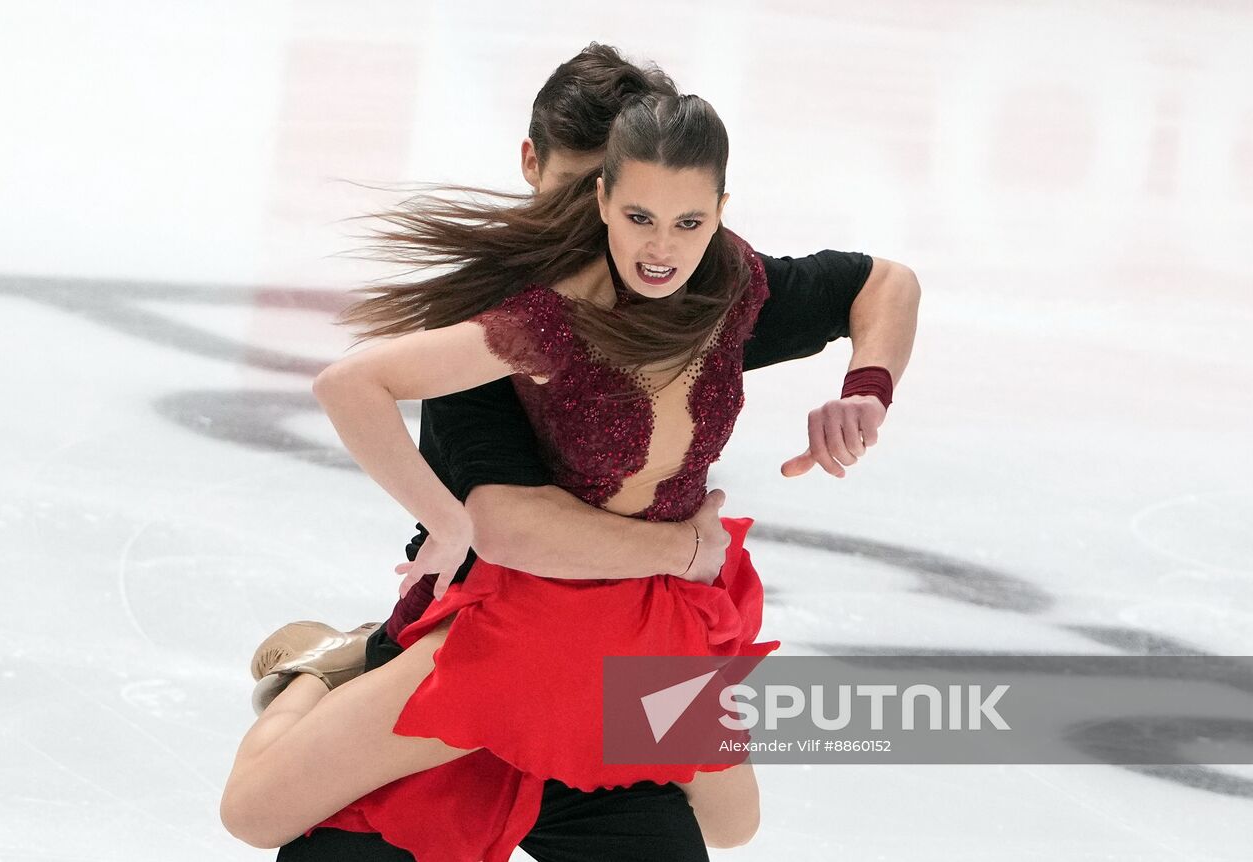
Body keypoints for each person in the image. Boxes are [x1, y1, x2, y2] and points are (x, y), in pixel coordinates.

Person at [221, 81, 920, 862]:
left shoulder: (732, 285)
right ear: (602, 200)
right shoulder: (540, 320)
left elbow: (884, 283)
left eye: (687, 221)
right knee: (256, 812)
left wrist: (866, 391)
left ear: (720, 211)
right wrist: (451, 523)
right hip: (532, 608)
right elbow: (405, 433)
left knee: (733, 822)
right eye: (638, 217)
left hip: (655, 610)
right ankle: (318, 674)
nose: (660, 247)